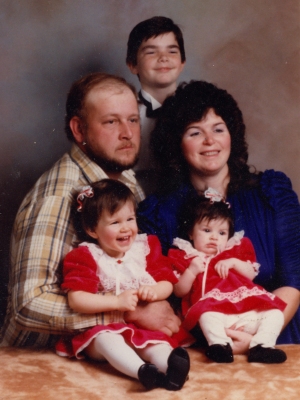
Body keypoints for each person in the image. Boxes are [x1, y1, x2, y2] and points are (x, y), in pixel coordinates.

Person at [0, 72, 180, 348]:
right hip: (36, 362)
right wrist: (127, 313)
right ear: (79, 130)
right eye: (111, 122)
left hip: (105, 352)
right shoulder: (57, 196)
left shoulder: (124, 179)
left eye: (132, 120)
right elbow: (28, 304)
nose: (127, 133)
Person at [137, 80, 300, 348]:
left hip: (278, 339)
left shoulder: (272, 194)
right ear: (177, 143)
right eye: (194, 133)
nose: (210, 141)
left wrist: (255, 341)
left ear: (231, 135)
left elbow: (294, 281)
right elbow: (155, 294)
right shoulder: (158, 213)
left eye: (218, 129)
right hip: (204, 349)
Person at [56, 179, 190, 391]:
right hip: (103, 329)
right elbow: (76, 299)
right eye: (114, 222)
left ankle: (171, 370)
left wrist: (154, 291)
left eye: (130, 218)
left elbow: (168, 283)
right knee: (107, 340)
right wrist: (116, 301)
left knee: (156, 342)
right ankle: (141, 371)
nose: (126, 228)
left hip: (142, 327)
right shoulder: (85, 256)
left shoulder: (145, 248)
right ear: (92, 229)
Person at [169, 189, 287, 363]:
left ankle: (262, 346)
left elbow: (252, 274)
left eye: (222, 233)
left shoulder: (235, 251)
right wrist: (192, 271)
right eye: (207, 230)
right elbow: (179, 291)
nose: (214, 238)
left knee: (276, 313)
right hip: (214, 315)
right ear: (191, 233)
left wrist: (234, 263)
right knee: (206, 314)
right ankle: (220, 346)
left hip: (245, 313)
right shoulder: (186, 257)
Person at [126, 16, 186, 194]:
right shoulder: (125, 115)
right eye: (151, 52)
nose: (163, 58)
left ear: (182, 63)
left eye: (172, 51)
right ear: (133, 65)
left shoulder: (198, 111)